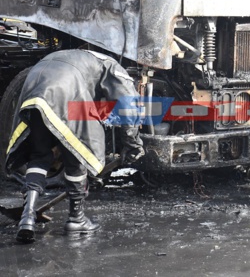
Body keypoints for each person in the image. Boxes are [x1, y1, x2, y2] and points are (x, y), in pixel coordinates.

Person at [4, 50, 145, 243]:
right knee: (78, 150)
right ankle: (76, 219)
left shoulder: (77, 56)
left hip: (35, 83)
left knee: (39, 155)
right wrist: (132, 141)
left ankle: (27, 217)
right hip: (65, 87)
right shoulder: (112, 66)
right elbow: (128, 102)